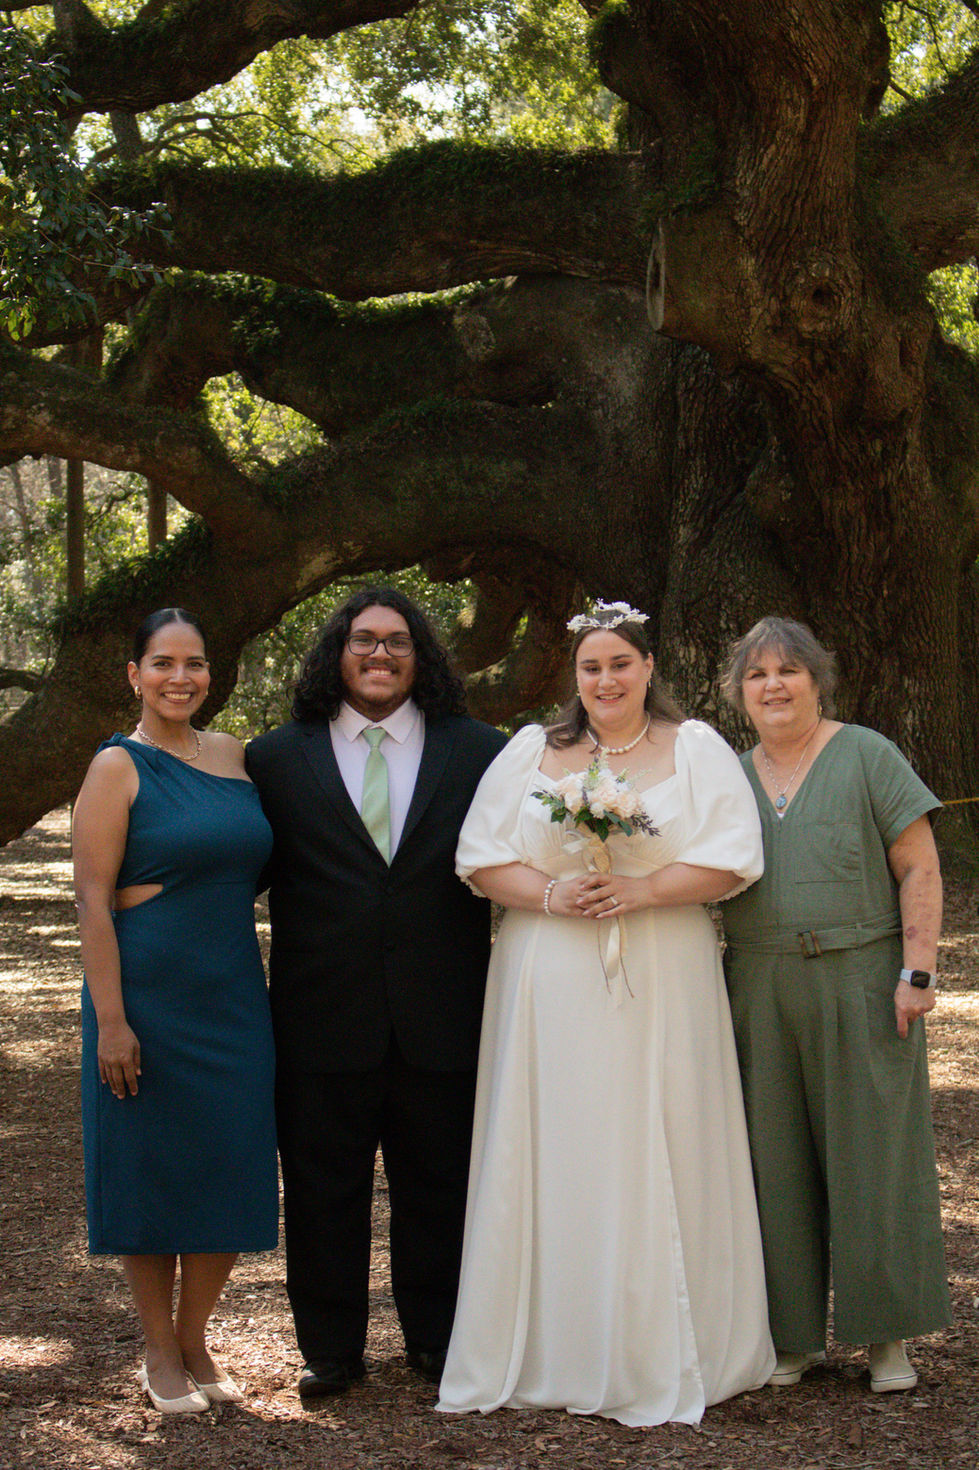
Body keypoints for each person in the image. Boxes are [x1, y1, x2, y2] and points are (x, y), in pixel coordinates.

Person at [436, 601, 775, 1427]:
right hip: (546, 972)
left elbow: (736, 856)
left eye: (620, 663)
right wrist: (552, 892)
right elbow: (478, 858)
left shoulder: (694, 750)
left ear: (647, 667)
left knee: (660, 1130)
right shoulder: (531, 752)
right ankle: (553, 1341)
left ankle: (670, 1342)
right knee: (558, 1139)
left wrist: (642, 887)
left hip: (663, 967)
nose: (605, 680)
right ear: (574, 677)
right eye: (590, 667)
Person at [245, 587, 506, 1401]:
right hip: (320, 1012)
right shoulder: (275, 759)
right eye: (364, 641)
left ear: (420, 656)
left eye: (397, 641)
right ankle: (330, 1350)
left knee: (440, 1186)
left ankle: (436, 1340)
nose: (381, 655)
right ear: (337, 653)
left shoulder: (481, 752)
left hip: (446, 1010)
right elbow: (236, 873)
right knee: (324, 1192)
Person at [719, 615, 951, 1393]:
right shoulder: (726, 775)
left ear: (817, 678)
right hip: (755, 981)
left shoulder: (865, 754)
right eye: (757, 675)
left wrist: (915, 973)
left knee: (871, 1155)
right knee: (770, 1157)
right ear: (739, 694)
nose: (773, 686)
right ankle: (789, 1338)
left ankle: (885, 1338)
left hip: (860, 975)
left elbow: (918, 864)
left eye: (788, 670)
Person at [73, 608, 278, 1415]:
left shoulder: (233, 756)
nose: (180, 677)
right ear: (135, 674)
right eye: (162, 663)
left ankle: (198, 1336)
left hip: (230, 987)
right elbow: (92, 898)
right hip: (146, 991)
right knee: (152, 1166)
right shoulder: (116, 767)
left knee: (230, 1159)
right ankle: (158, 1346)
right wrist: (112, 1020)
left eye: (193, 663)